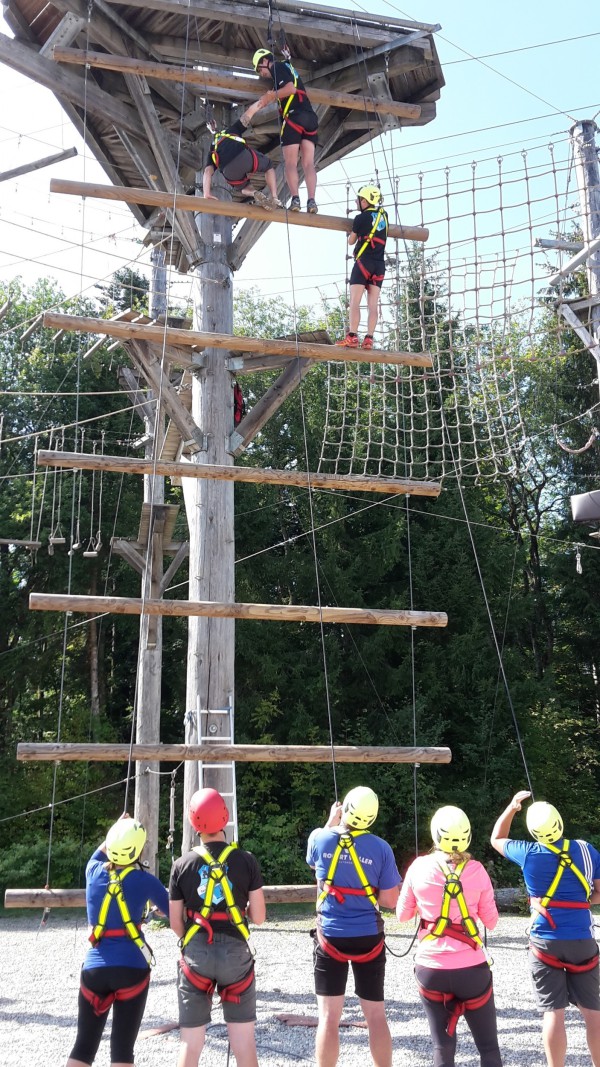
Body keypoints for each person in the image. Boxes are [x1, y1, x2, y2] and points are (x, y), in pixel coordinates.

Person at [491, 791, 600, 1067]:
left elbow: (496, 839)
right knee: (594, 1014)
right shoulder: (586, 850)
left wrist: (512, 807)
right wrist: (581, 900)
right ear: (560, 822)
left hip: (545, 941)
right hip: (581, 940)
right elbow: (599, 894)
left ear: (533, 831)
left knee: (554, 1014)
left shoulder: (528, 853)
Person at [397, 805, 502, 1067]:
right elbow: (492, 921)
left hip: (431, 969)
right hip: (472, 971)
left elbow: (402, 915)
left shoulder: (419, 867)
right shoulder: (477, 870)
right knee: (488, 1047)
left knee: (442, 1047)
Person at [169, 787, 266, 1067]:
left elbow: (176, 924)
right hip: (236, 955)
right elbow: (258, 916)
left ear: (193, 822)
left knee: (190, 1044)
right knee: (244, 1044)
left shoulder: (181, 865)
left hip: (196, 955)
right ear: (225, 818)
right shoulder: (246, 860)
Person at [306, 785, 401, 1067]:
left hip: (330, 936)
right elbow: (389, 900)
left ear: (344, 808)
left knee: (328, 1017)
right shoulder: (381, 849)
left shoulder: (320, 838)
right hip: (368, 937)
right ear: (373, 817)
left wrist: (331, 821)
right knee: (375, 1016)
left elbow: (314, 863)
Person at [66, 813, 169, 1067]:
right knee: (122, 1050)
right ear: (138, 850)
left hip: (94, 970)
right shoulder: (146, 881)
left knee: (83, 1046)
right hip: (132, 969)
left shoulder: (92, 871)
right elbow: (170, 910)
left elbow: (100, 853)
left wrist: (117, 827)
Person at [252, 48, 318, 213]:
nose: (261, 74)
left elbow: (290, 89)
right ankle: (312, 201)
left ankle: (295, 199)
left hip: (294, 118)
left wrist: (271, 96)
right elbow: (293, 80)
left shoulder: (277, 67)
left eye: (259, 69)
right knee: (309, 163)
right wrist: (289, 56)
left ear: (265, 61)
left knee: (290, 163)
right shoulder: (288, 67)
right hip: (310, 117)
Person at [202, 99, 283, 209]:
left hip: (229, 171)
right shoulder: (231, 130)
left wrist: (206, 194)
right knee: (268, 165)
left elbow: (207, 172)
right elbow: (249, 113)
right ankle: (274, 197)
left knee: (243, 187)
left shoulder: (212, 149)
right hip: (243, 156)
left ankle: (254, 193)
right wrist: (263, 101)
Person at [337, 185, 389, 350]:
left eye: (358, 199)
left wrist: (355, 231)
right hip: (379, 265)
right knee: (372, 305)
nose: (356, 201)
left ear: (364, 201)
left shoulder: (360, 218)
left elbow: (351, 241)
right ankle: (369, 338)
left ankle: (352, 336)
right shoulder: (384, 215)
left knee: (355, 302)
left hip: (363, 263)